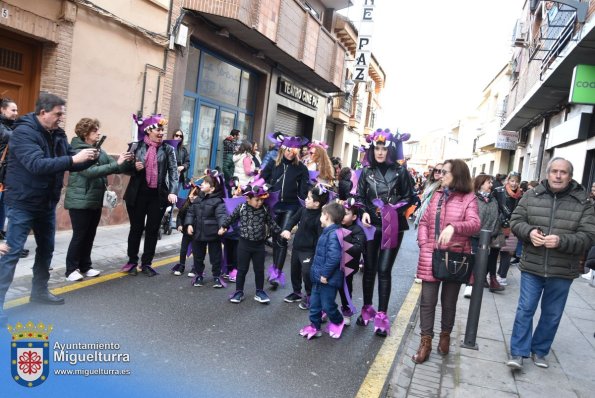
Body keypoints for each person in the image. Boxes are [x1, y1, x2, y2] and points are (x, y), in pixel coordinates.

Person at [0, 93, 98, 325]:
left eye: (62, 114)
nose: (60, 118)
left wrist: (89, 157)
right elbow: (36, 164)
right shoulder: (23, 133)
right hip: (23, 202)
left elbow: (67, 160)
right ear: (43, 113)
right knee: (12, 253)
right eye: (57, 114)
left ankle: (39, 291)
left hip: (46, 202)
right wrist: (73, 160)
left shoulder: (57, 134)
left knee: (46, 249)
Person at [506, 157, 595, 370]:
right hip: (532, 265)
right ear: (547, 173)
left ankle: (540, 350)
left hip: (563, 269)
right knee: (525, 309)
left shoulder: (583, 202)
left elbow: (589, 235)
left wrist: (561, 241)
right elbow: (516, 221)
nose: (557, 175)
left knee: (552, 313)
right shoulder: (531, 195)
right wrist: (530, 233)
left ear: (570, 176)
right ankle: (518, 353)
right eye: (554, 171)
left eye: (563, 172)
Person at [413, 159, 480, 364]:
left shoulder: (469, 198)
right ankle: (425, 343)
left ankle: (445, 336)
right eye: (440, 172)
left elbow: (475, 224)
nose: (441, 175)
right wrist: (424, 243)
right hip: (430, 255)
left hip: (455, 258)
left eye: (445, 172)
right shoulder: (437, 195)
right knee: (427, 302)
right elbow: (424, 221)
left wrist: (453, 227)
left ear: (457, 175)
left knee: (449, 303)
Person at [355, 128, 415, 337]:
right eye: (377, 148)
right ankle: (367, 309)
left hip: (393, 225)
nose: (380, 152)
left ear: (389, 149)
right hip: (371, 226)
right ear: (373, 149)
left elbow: (410, 197)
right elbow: (359, 197)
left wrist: (392, 206)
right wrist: (363, 212)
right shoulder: (366, 172)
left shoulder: (401, 172)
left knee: (383, 270)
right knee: (369, 269)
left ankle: (381, 316)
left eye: (384, 148)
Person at [64, 118, 133, 281]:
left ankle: (85, 266)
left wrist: (125, 161)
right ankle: (70, 269)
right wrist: (116, 165)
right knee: (79, 235)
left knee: (90, 234)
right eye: (95, 131)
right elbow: (89, 172)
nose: (99, 133)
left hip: (95, 198)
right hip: (79, 200)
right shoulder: (77, 150)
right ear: (85, 134)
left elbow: (113, 165)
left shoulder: (99, 150)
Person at [121, 114, 178, 276]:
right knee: (136, 229)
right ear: (148, 131)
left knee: (153, 230)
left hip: (158, 196)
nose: (161, 133)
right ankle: (132, 261)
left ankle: (146, 263)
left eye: (162, 130)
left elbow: (173, 171)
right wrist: (134, 168)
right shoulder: (135, 147)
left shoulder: (168, 150)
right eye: (158, 129)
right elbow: (123, 168)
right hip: (137, 195)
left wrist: (173, 191)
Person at [260, 132, 310, 288]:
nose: (290, 152)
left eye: (293, 150)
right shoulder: (273, 164)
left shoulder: (301, 168)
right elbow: (262, 179)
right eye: (287, 149)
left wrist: (301, 211)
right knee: (275, 240)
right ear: (282, 148)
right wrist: (265, 187)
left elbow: (303, 191)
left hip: (291, 207)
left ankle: (276, 273)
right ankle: (275, 268)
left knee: (282, 239)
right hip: (274, 206)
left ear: (297, 151)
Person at [219, 183, 281, 304]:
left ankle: (259, 291)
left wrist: (280, 232)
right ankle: (239, 292)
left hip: (259, 245)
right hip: (244, 245)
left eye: (262, 200)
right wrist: (224, 226)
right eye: (257, 200)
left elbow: (271, 223)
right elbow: (231, 218)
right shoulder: (241, 207)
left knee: (259, 270)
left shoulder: (264, 209)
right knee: (242, 270)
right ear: (248, 198)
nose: (260, 203)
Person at [299, 202, 346, 340]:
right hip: (319, 278)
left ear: (327, 217)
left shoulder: (333, 235)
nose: (320, 217)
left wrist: (325, 274)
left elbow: (334, 257)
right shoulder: (327, 233)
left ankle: (338, 321)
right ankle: (315, 326)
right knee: (314, 304)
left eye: (321, 214)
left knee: (327, 304)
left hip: (328, 279)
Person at [280, 185, 328, 308]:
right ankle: (297, 292)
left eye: (308, 198)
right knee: (294, 271)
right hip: (296, 247)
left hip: (309, 251)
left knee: (307, 273)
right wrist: (287, 229)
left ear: (317, 204)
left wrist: (318, 254)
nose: (305, 200)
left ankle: (310, 295)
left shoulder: (320, 218)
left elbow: (320, 237)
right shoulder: (303, 210)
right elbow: (292, 220)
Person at [463, 174, 505, 297]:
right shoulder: (473, 198)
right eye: (488, 183)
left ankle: (491, 280)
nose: (491, 185)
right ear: (480, 184)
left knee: (492, 258)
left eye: (491, 183)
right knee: (476, 259)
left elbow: (496, 215)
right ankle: (470, 284)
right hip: (476, 235)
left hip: (494, 233)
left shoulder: (494, 199)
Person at [185, 172, 227, 287]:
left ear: (212, 188)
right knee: (198, 256)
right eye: (202, 182)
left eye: (205, 183)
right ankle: (199, 275)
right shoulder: (198, 199)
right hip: (197, 234)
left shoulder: (218, 201)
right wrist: (189, 224)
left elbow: (221, 215)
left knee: (216, 257)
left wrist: (222, 226)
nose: (201, 184)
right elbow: (190, 212)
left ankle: (217, 276)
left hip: (213, 234)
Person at [0, 99, 29, 258]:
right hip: (2, 175)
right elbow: (10, 137)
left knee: (5, 210)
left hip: (8, 176)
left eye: (17, 110)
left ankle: (9, 244)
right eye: (13, 110)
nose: (16, 113)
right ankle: (11, 246)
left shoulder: (13, 126)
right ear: (3, 110)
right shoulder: (4, 128)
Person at [338, 198, 366, 325]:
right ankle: (326, 310)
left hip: (348, 266)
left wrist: (344, 239)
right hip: (334, 264)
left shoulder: (358, 230)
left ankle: (346, 311)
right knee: (328, 289)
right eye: (342, 212)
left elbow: (357, 248)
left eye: (347, 213)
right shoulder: (335, 225)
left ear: (354, 217)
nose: (343, 216)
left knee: (345, 289)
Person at [494, 171, 523, 285]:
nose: (514, 183)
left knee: (508, 251)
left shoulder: (521, 195)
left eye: (516, 181)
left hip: (513, 226)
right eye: (512, 180)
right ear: (508, 180)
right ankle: (492, 275)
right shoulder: (499, 191)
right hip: (499, 225)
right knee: (495, 250)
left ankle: (502, 275)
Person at [170, 186, 199, 276]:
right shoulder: (185, 204)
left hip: (197, 233)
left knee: (196, 251)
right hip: (186, 233)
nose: (191, 196)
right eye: (190, 194)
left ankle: (195, 268)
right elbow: (179, 216)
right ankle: (181, 266)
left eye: (194, 195)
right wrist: (179, 225)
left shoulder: (201, 206)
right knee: (183, 250)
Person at [414, 162, 444, 228]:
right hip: (424, 217)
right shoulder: (430, 184)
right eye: (435, 170)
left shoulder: (442, 187)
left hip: (431, 222)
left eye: (440, 171)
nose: (437, 172)